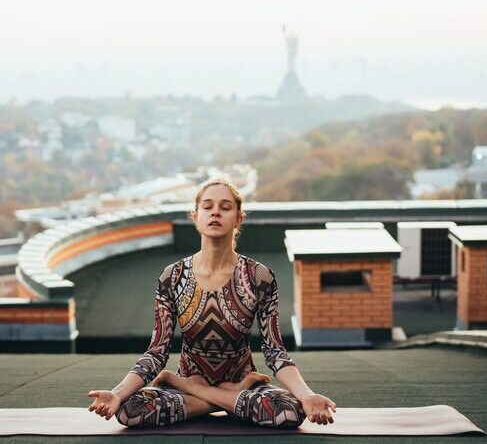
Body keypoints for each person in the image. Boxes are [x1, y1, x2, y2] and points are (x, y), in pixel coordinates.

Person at [87, 178, 336, 428]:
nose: (216, 211)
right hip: (206, 388)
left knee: (291, 411)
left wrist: (306, 395)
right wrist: (117, 393)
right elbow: (156, 351)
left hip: (242, 382)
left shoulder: (259, 276)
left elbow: (274, 350)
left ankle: (201, 391)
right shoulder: (171, 277)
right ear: (196, 217)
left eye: (225, 207)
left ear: (239, 219)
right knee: (129, 410)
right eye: (208, 206)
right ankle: (219, 397)